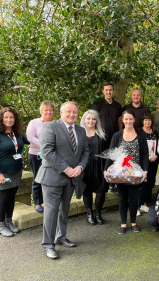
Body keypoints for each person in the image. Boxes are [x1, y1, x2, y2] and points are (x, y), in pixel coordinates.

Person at [36, 101, 89, 260]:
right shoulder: (50, 127)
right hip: (53, 176)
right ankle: (48, 245)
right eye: (68, 112)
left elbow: (85, 151)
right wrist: (67, 169)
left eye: (74, 112)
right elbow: (47, 151)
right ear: (61, 112)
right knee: (51, 212)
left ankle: (61, 236)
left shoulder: (80, 130)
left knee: (64, 210)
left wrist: (80, 168)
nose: (72, 114)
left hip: (72, 178)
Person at [104, 110, 149, 234]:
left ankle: (133, 222)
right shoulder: (117, 135)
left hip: (135, 174)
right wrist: (105, 170)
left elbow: (145, 154)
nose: (128, 121)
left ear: (134, 120)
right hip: (121, 173)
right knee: (122, 198)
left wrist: (145, 170)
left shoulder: (141, 135)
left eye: (130, 119)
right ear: (122, 121)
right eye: (126, 119)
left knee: (134, 198)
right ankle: (123, 223)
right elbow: (111, 154)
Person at [0, 107, 29, 237]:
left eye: (11, 117)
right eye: (6, 117)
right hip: (3, 172)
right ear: (1, 119)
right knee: (3, 198)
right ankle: (1, 225)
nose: (9, 119)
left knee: (11, 197)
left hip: (16, 171)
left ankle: (9, 222)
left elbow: (32, 141)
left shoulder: (17, 134)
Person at [80, 110, 108, 225]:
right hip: (85, 167)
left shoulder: (102, 134)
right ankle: (89, 214)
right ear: (84, 120)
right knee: (86, 191)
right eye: (88, 118)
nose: (91, 121)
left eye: (93, 119)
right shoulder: (79, 134)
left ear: (97, 121)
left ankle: (98, 213)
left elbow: (107, 153)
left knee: (101, 191)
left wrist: (107, 168)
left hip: (99, 166)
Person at [26, 100, 55, 213]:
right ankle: (38, 202)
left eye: (51, 110)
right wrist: (46, 147)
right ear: (41, 111)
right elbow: (30, 137)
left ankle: (49, 201)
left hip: (53, 156)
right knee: (38, 178)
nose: (48, 112)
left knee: (51, 179)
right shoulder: (34, 122)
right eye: (46, 110)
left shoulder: (57, 123)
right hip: (36, 155)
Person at [139, 113, 159, 213]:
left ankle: (147, 201)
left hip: (153, 161)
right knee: (142, 182)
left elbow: (158, 147)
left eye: (149, 120)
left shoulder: (155, 133)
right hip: (142, 162)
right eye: (146, 120)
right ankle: (141, 203)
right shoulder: (139, 132)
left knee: (151, 182)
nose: (148, 122)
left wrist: (156, 156)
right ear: (142, 121)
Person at [92, 82, 123, 149]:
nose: (108, 92)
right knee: (101, 158)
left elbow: (120, 122)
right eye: (106, 90)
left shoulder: (118, 106)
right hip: (100, 137)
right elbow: (93, 121)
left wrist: (120, 135)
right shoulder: (97, 105)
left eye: (110, 90)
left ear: (113, 91)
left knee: (113, 158)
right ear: (103, 91)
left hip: (114, 137)